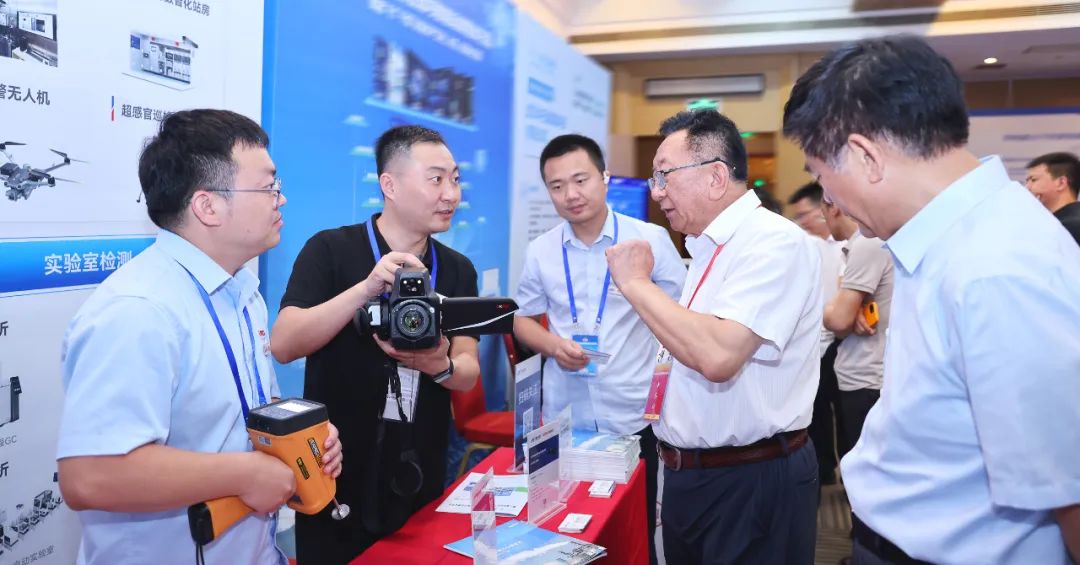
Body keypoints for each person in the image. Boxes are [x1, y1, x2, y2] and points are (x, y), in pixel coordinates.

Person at [784, 34, 1080, 564]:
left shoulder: (996, 268)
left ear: (865, 156)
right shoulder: (952, 237)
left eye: (822, 175)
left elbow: (1070, 494)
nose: (828, 198)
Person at [56, 109, 343, 565]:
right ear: (207, 206)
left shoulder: (242, 291)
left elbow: (247, 414)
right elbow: (90, 475)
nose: (281, 199)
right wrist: (245, 473)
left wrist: (303, 438)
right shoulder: (139, 309)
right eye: (268, 186)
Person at [606, 109, 822, 564]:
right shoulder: (707, 246)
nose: (656, 192)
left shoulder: (773, 242)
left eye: (664, 175)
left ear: (716, 177)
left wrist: (636, 283)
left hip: (751, 480)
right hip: (694, 475)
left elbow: (718, 355)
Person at [271, 125, 480, 563]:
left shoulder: (457, 269)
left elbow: (467, 374)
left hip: (419, 465)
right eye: (436, 179)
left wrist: (437, 364)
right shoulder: (330, 249)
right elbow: (285, 344)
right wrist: (365, 290)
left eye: (455, 179)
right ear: (390, 185)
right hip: (334, 465)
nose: (451, 194)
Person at [513, 134, 685, 565]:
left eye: (581, 180)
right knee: (566, 526)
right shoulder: (541, 251)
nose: (571, 195)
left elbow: (681, 315)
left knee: (637, 527)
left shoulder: (649, 240)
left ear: (604, 177)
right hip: (564, 414)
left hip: (633, 411)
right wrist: (553, 346)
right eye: (557, 186)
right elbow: (520, 319)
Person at [820, 195, 892, 460]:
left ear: (834, 208)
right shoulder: (867, 242)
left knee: (865, 467)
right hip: (874, 374)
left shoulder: (867, 243)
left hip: (867, 377)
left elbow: (838, 322)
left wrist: (837, 310)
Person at [790, 181, 844, 485]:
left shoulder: (850, 244)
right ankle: (825, 469)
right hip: (815, 343)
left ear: (824, 210)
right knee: (818, 413)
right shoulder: (805, 246)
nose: (802, 222)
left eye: (805, 215)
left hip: (841, 340)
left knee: (842, 415)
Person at [1026, 152, 1080, 246]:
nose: (1027, 187)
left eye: (1033, 180)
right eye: (1027, 181)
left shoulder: (1066, 227)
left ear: (1061, 183)